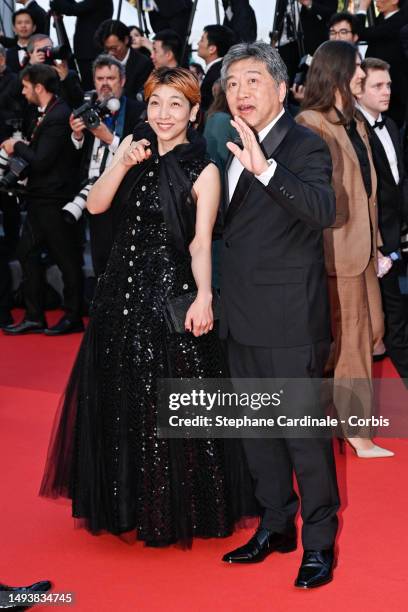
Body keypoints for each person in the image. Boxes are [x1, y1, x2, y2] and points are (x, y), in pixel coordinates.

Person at [39, 67, 254, 546]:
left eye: (176, 105)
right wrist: (119, 161)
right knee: (120, 398)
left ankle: (177, 508)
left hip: (168, 300)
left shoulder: (206, 170)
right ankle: (126, 503)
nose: (163, 114)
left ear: (194, 113)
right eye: (156, 103)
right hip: (118, 296)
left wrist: (203, 296)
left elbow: (201, 243)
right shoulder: (130, 153)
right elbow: (95, 207)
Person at [219, 41, 340, 589]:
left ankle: (318, 541)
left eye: (251, 81)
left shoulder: (305, 143)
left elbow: (322, 210)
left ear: (278, 85)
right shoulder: (221, 143)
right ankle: (275, 526)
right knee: (256, 433)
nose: (240, 93)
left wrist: (266, 169)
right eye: (232, 83)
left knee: (303, 439)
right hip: (237, 315)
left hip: (291, 319)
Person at [297, 40, 394, 457]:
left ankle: (330, 420)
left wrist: (375, 243)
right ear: (335, 71)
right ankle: (355, 432)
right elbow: (316, 196)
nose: (361, 72)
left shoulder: (353, 122)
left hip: (362, 248)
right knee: (351, 339)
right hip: (334, 250)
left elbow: (366, 190)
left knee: (368, 334)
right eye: (356, 65)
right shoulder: (311, 122)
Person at [1, 64, 83, 337]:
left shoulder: (58, 115)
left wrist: (17, 146)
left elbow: (42, 161)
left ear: (38, 87)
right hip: (40, 199)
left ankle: (72, 316)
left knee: (66, 259)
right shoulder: (50, 113)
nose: (23, 93)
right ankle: (34, 316)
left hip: (53, 200)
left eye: (25, 87)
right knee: (26, 253)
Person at [356, 57, 408, 384]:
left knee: (401, 311)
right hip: (374, 240)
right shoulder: (354, 132)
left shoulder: (389, 125)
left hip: (399, 232)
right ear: (357, 90)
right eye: (377, 85)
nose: (386, 91)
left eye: (388, 84)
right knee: (392, 318)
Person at [70, 54, 145, 276]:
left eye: (110, 78)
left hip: (125, 194)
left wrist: (109, 137)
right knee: (100, 259)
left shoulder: (136, 110)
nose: (104, 83)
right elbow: (75, 157)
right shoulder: (86, 110)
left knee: (125, 263)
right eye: (99, 78)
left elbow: (141, 153)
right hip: (92, 192)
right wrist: (77, 136)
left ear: (122, 81)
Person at [356, 0, 408, 126]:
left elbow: (360, 33)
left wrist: (362, 8)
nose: (377, 1)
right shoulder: (382, 19)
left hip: (395, 89)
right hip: (378, 85)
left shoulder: (400, 20)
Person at [49, 0, 114, 90]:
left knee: (91, 86)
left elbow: (73, 9)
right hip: (86, 53)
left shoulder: (98, 2)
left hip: (91, 53)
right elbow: (76, 6)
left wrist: (56, 3)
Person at [94, 20, 153, 99]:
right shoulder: (101, 61)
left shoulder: (143, 63)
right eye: (107, 49)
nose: (110, 53)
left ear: (126, 40)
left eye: (114, 48)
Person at [197, 25, 235, 113]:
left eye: (202, 40)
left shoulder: (216, 75)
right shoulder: (221, 69)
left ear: (212, 49)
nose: (198, 43)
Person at [5, 9, 36, 74]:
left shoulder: (41, 52)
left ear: (34, 28)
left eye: (27, 22)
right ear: (14, 29)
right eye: (19, 23)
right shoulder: (6, 55)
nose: (23, 26)